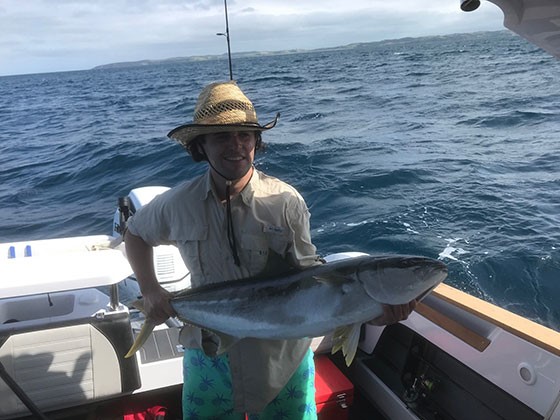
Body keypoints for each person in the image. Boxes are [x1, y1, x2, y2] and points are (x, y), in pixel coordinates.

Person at [124, 81, 416, 419]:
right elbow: (135, 234)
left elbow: (311, 280)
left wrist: (365, 311)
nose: (236, 145)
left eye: (245, 135)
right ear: (200, 145)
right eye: (222, 136)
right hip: (210, 354)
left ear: (256, 141)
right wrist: (150, 289)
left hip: (281, 362)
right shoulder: (177, 203)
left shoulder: (284, 202)